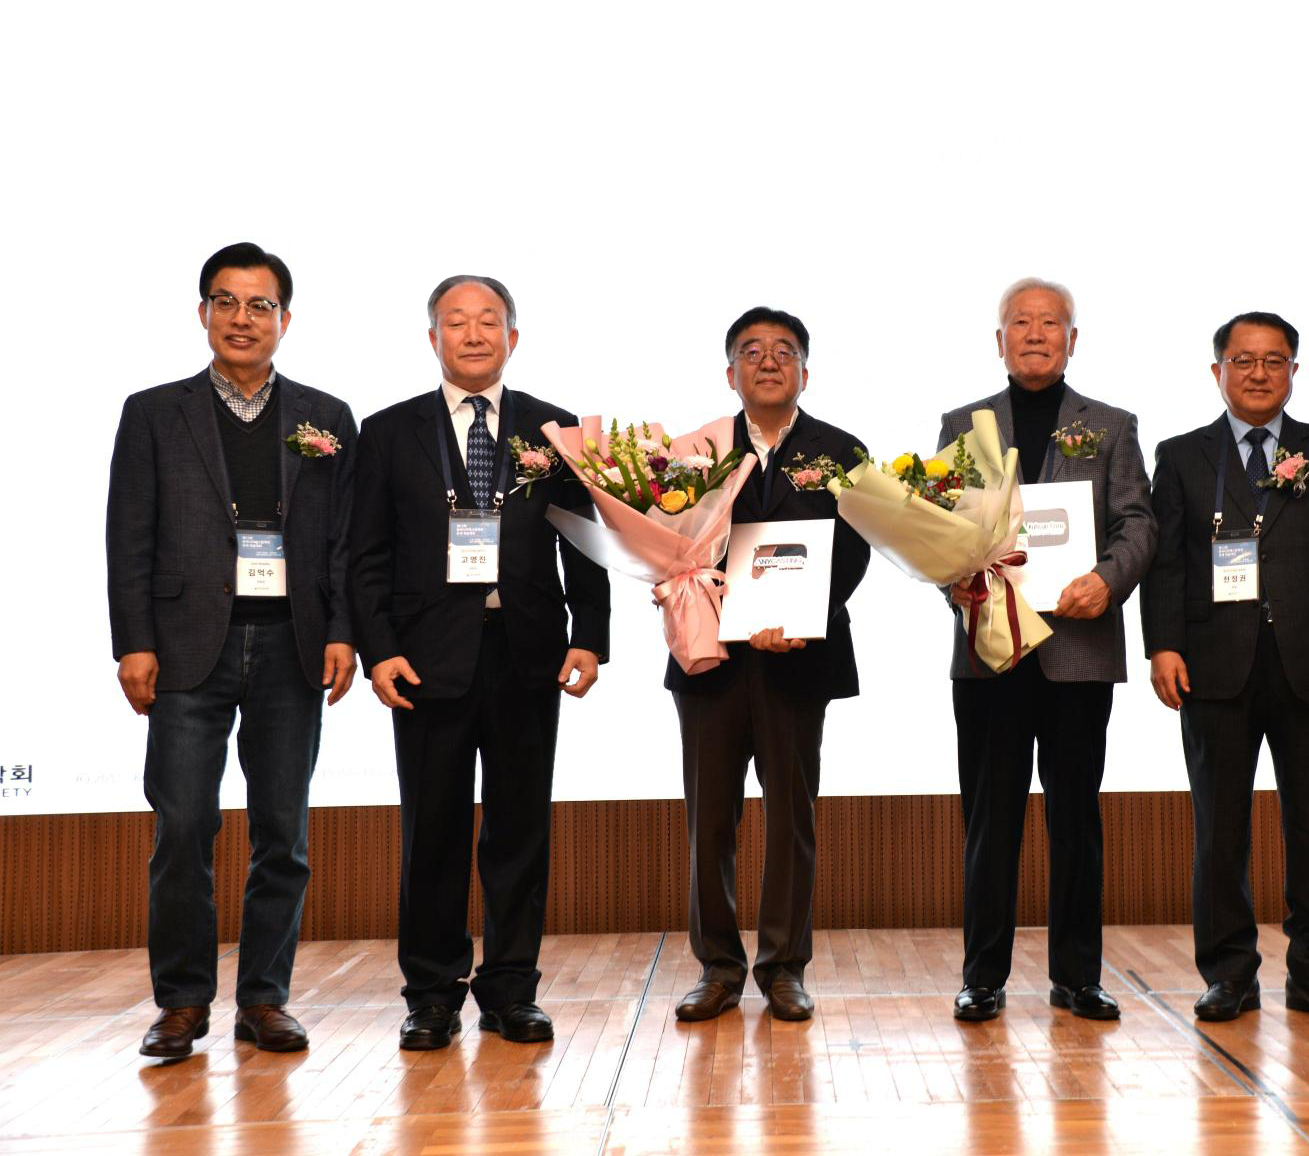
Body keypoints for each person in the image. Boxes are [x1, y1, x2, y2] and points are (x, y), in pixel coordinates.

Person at [107, 242, 357, 1060]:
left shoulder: (327, 416)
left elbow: (345, 542)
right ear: (203, 312)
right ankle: (181, 1002)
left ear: (285, 318)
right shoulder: (154, 412)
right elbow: (128, 535)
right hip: (186, 649)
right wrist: (134, 643)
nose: (241, 318)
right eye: (225, 302)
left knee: (282, 832)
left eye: (259, 305)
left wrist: (344, 630)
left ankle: (264, 999)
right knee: (183, 826)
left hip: (291, 643)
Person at [349, 275, 610, 1050]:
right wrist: (379, 650)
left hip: (528, 653)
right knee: (431, 834)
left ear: (512, 338)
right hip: (426, 661)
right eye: (456, 322)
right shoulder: (388, 431)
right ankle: (431, 996)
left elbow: (585, 541)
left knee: (519, 832)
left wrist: (590, 636)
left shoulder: (554, 429)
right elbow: (367, 555)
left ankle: (510, 990)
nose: (472, 335)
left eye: (488, 322)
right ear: (433, 338)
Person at [1140, 311, 1309, 1024]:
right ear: (1217, 371)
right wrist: (1162, 644)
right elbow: (1166, 560)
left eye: (1273, 360)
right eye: (1242, 360)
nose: (1257, 373)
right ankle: (1229, 974)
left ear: (1293, 371)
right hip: (1214, 667)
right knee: (1220, 828)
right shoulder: (1181, 456)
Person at [940, 277, 1155, 1022]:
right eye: (1021, 322)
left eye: (1051, 322)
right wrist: (957, 582)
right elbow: (940, 529)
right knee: (988, 820)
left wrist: (1108, 580)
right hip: (991, 653)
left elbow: (1139, 524)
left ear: (1072, 339)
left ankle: (1077, 977)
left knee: (1076, 819)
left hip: (1078, 651)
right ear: (999, 340)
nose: (1036, 334)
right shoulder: (963, 426)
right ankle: (982, 977)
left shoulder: (1112, 425)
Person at [669, 307, 870, 1024]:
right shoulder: (695, 453)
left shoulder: (841, 450)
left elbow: (856, 550)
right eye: (751, 352)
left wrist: (802, 619)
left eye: (784, 352)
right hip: (713, 660)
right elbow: (672, 546)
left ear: (805, 373)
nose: (768, 362)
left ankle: (784, 968)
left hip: (798, 660)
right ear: (731, 374)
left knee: (791, 818)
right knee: (709, 821)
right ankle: (717, 969)